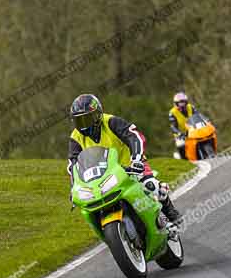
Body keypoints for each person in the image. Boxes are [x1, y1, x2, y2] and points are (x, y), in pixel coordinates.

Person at [67, 94, 183, 227]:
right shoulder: (75, 137)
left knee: (151, 185)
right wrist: (73, 187)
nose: (84, 126)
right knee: (91, 206)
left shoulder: (111, 122)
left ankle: (169, 209)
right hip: (103, 176)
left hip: (132, 166)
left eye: (87, 119)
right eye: (79, 121)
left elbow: (134, 137)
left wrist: (137, 159)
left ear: (98, 114)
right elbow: (73, 164)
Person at [168, 92, 197, 159]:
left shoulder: (191, 107)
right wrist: (179, 133)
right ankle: (184, 160)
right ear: (176, 103)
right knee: (180, 144)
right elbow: (173, 126)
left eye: (183, 102)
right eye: (180, 102)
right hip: (181, 134)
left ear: (186, 102)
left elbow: (198, 116)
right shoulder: (172, 112)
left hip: (194, 130)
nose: (182, 104)